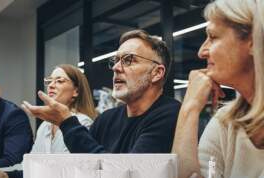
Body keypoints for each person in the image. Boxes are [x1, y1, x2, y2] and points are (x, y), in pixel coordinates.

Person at [172, 0, 264, 178]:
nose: (201, 51)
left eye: (212, 37)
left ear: (253, 40)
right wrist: (189, 109)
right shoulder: (226, 122)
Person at [22, 29, 181, 155]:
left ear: (157, 73)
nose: (116, 67)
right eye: (116, 60)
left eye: (128, 60)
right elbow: (83, 170)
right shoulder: (106, 119)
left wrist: (67, 123)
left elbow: (128, 176)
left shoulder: (170, 114)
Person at [0, 64, 97, 178]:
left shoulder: (83, 123)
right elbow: (29, 165)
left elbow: (62, 170)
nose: (51, 85)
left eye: (59, 81)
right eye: (49, 81)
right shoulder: (45, 126)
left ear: (76, 91)